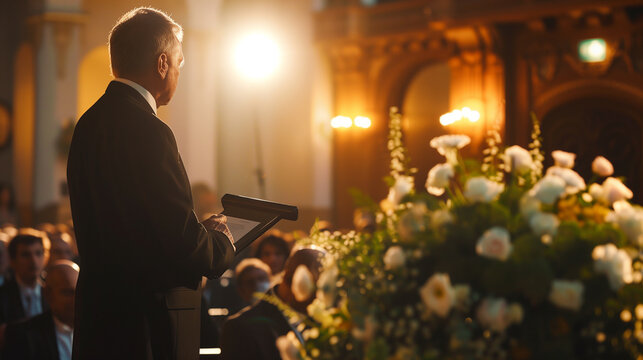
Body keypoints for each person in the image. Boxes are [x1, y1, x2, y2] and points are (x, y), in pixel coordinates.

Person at [66, 7, 236, 360]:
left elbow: (135, 225)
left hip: (98, 318)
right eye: (178, 63)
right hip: (141, 326)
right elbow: (178, 241)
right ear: (162, 64)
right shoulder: (150, 131)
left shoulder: (87, 124)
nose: (178, 72)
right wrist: (220, 241)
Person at [221, 248, 324, 360]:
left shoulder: (322, 317)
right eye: (316, 292)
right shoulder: (240, 329)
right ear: (292, 281)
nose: (319, 301)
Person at [3, 260, 79, 360]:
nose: (75, 299)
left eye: (78, 292)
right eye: (67, 292)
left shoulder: (96, 331)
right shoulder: (23, 336)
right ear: (47, 294)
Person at [0, 230, 48, 324]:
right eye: (25, 255)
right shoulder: (3, 296)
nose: (34, 261)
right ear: (12, 260)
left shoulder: (52, 291)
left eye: (38, 253)